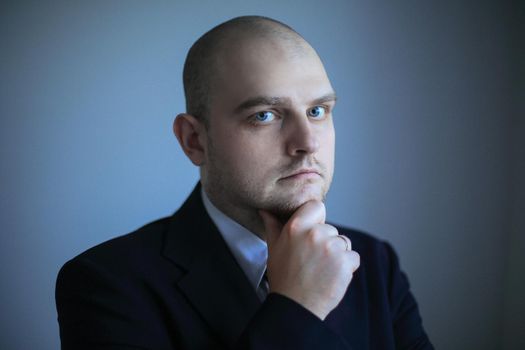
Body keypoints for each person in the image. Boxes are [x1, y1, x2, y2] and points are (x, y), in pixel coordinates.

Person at [56, 16, 433, 349]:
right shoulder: (106, 284)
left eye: (317, 111)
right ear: (194, 140)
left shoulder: (374, 263)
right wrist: (297, 309)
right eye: (265, 115)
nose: (307, 143)